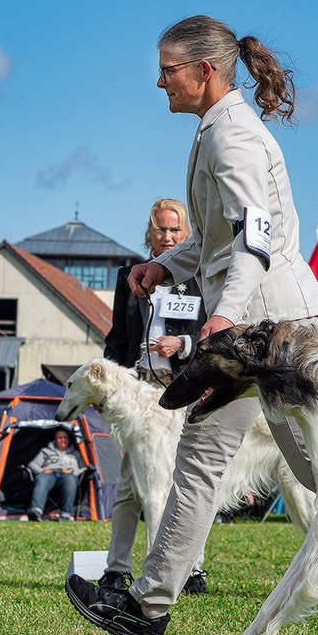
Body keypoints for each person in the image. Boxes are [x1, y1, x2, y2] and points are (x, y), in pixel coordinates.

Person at [66, 15, 318, 635]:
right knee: (230, 460)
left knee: (316, 470)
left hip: (276, 337)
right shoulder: (214, 131)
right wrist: (167, 265)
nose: (159, 82)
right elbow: (219, 237)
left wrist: (223, 320)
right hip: (256, 334)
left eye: (167, 70)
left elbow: (254, 241)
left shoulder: (235, 140)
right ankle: (148, 607)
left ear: (204, 72)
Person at [99, 198, 209, 596]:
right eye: (161, 229)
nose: (167, 236)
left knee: (187, 480)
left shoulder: (199, 278)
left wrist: (181, 343)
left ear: (187, 235)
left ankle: (193, 568)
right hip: (140, 394)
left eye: (175, 230)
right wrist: (107, 387)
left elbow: (216, 338)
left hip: (183, 393)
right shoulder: (130, 277)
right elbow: (117, 340)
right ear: (150, 233)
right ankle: (117, 567)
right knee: (131, 485)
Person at [27, 428, 81, 522]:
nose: (63, 440)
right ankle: (36, 511)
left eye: (65, 437)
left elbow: (84, 467)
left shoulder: (76, 453)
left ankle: (65, 515)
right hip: (50, 473)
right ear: (55, 440)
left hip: (67, 474)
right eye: (59, 438)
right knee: (41, 479)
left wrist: (72, 471)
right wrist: (41, 470)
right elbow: (32, 464)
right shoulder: (46, 451)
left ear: (69, 439)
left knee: (70, 480)